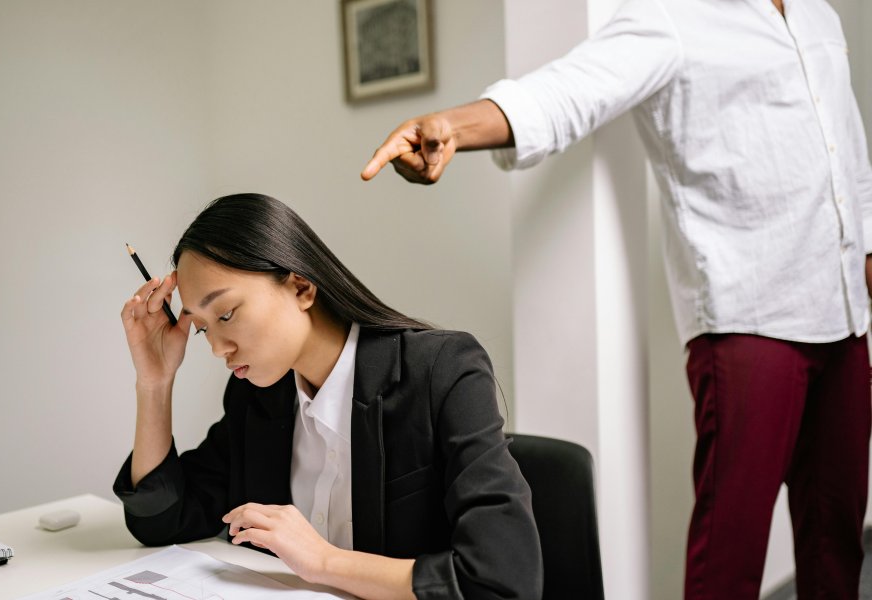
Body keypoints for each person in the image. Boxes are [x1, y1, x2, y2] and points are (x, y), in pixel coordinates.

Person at [360, 0, 872, 598]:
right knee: (731, 551)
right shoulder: (671, 17)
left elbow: (846, 140)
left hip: (843, 309)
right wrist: (453, 126)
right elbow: (565, 92)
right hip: (748, 314)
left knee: (837, 536)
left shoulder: (819, 15)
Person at [112, 193, 542, 600]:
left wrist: (324, 561)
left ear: (301, 287)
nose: (217, 348)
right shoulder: (258, 397)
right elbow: (160, 520)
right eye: (204, 328)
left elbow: (501, 578)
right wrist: (154, 382)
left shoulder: (440, 372)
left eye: (225, 314)